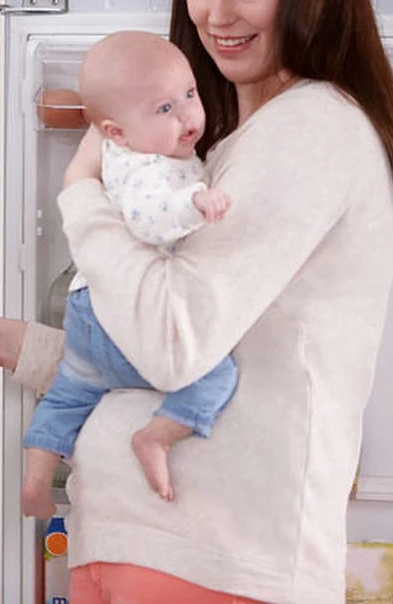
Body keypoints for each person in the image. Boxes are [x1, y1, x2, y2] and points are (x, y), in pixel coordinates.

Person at [0, 0, 393, 604]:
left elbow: (174, 346)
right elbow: (170, 352)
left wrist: (82, 194)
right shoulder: (236, 143)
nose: (217, 16)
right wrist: (8, 345)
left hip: (211, 561)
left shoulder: (309, 130)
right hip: (147, 550)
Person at [22, 29, 237, 519]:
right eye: (164, 108)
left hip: (88, 310)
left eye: (189, 94)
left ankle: (36, 478)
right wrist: (196, 203)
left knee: (69, 394)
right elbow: (149, 217)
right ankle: (158, 436)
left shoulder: (124, 150)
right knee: (214, 373)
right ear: (115, 132)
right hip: (124, 315)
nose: (187, 114)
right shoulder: (147, 168)